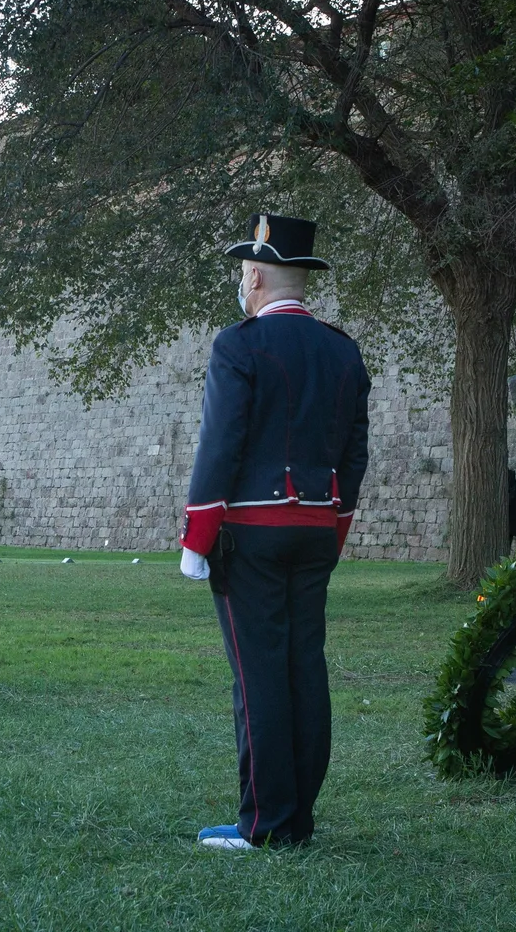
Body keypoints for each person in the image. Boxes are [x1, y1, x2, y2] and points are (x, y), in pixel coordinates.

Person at [179, 214, 370, 851]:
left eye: (243, 271)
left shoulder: (238, 345)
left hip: (251, 534)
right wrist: (334, 530)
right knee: (302, 671)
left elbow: (220, 447)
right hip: (317, 528)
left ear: (255, 273)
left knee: (258, 677)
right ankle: (298, 818)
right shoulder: (344, 349)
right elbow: (354, 453)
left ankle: (265, 824)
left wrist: (197, 537)